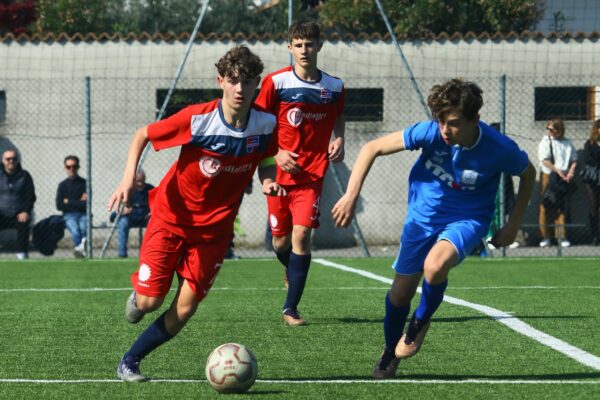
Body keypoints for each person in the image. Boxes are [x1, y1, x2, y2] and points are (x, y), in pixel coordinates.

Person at [332, 78, 536, 379]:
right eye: (440, 121)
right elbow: (372, 147)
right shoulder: (431, 133)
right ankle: (390, 351)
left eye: (452, 123)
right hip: (421, 219)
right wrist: (350, 195)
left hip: (468, 218)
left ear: (474, 120)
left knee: (435, 265)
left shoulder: (499, 147)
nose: (444, 130)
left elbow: (529, 173)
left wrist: (513, 223)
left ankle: (420, 322)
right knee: (400, 294)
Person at [107, 45, 284, 382]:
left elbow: (267, 156)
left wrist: (269, 180)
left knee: (186, 308)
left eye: (247, 82)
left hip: (214, 233)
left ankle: (130, 360)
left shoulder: (265, 123)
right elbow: (142, 134)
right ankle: (140, 294)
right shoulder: (198, 118)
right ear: (220, 81)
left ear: (256, 85)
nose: (239, 89)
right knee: (148, 303)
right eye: (233, 81)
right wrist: (128, 179)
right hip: (171, 219)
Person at [254, 20, 345, 326]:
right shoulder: (276, 83)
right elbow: (259, 124)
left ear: (319, 46)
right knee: (280, 243)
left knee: (302, 235)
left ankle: (290, 309)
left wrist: (339, 138)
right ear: (289, 47)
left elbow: (339, 116)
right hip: (278, 176)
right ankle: (289, 266)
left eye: (310, 44)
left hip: (311, 175)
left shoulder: (334, 86)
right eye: (298, 44)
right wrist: (277, 153)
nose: (304, 50)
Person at [537, 118, 577, 248]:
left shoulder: (567, 142)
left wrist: (570, 172)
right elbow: (545, 160)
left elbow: (574, 159)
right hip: (549, 175)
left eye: (552, 129)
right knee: (546, 205)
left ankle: (561, 236)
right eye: (548, 128)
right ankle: (545, 236)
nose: (550, 131)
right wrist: (558, 171)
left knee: (562, 207)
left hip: (564, 177)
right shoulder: (546, 141)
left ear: (560, 130)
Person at [0, 149, 36, 259]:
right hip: (1, 214)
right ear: (2, 161)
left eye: (14, 159)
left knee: (24, 223)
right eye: (8, 159)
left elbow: (31, 197)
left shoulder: (25, 176)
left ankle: (22, 254)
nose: (11, 161)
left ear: (18, 160)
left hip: (18, 214)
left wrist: (25, 211)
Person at [110, 170, 154, 258]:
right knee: (123, 222)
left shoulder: (151, 189)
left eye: (142, 181)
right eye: (138, 181)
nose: (140, 183)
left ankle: (149, 253)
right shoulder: (128, 190)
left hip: (146, 218)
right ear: (133, 181)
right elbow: (113, 216)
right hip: (131, 218)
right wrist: (123, 212)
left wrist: (153, 212)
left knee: (152, 223)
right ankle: (122, 253)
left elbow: (159, 205)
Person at [56, 155, 88, 258]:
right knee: (75, 230)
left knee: (83, 227)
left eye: (74, 166)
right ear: (65, 168)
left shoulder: (84, 183)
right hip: (69, 215)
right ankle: (82, 250)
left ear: (78, 167)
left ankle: (80, 250)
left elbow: (86, 204)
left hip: (83, 213)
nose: (71, 169)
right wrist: (78, 201)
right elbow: (59, 205)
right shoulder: (62, 185)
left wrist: (68, 201)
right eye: (68, 167)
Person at [580, 119, 600, 245]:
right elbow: (589, 159)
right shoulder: (590, 143)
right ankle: (595, 236)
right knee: (594, 207)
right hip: (592, 178)